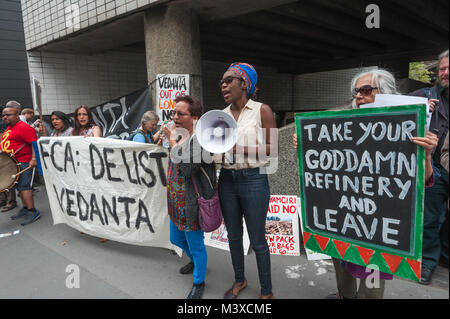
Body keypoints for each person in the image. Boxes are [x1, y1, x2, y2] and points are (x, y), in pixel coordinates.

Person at [293, 69, 438, 298]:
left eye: (366, 90)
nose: (359, 95)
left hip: (377, 228)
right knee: (343, 269)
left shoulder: (407, 128)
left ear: (385, 93)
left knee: (372, 283)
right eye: (356, 91)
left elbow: (426, 179)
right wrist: (307, 142)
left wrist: (427, 156)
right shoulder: (342, 126)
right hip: (343, 219)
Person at [217, 62, 277, 299]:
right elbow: (216, 150)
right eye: (222, 82)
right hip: (227, 180)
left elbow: (273, 150)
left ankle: (266, 291)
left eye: (229, 80)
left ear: (244, 83)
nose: (223, 85)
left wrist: (237, 147)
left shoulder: (262, 110)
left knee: (257, 239)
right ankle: (239, 280)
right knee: (233, 235)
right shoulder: (219, 116)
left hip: (254, 179)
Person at [162, 95, 215, 299]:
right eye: (174, 112)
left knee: (196, 244)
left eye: (180, 113)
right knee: (174, 238)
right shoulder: (178, 134)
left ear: (194, 118)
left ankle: (198, 281)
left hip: (191, 202)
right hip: (175, 200)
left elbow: (186, 169)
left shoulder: (201, 141)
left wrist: (172, 141)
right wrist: (169, 141)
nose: (174, 116)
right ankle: (194, 261)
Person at [409, 49, 449, 284]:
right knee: (430, 218)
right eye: (442, 68)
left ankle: (445, 255)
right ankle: (428, 262)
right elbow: (396, 110)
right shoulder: (423, 94)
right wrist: (420, 107)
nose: (445, 72)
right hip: (431, 167)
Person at [0, 106, 40, 225]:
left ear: (17, 115)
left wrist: (33, 159)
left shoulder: (23, 127)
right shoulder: (9, 128)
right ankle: (25, 208)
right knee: (19, 188)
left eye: (8, 114)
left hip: (23, 162)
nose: (5, 117)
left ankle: (33, 211)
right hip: (12, 164)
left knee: (24, 187)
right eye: (3, 115)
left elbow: (34, 143)